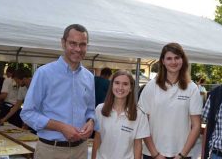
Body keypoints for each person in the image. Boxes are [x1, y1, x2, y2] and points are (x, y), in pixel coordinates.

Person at [20, 24, 97, 159]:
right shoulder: (44, 73)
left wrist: (91, 121)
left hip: (81, 150)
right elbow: (27, 113)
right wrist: (60, 127)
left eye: (82, 44)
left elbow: (90, 110)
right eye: (73, 43)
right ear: (63, 43)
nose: (78, 49)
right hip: (51, 151)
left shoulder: (89, 77)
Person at [139, 43, 202, 159]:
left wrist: (182, 154)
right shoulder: (151, 86)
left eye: (177, 58)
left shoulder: (192, 88)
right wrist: (155, 154)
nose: (173, 62)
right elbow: (143, 123)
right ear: (162, 61)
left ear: (182, 60)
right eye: (169, 58)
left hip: (182, 154)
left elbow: (196, 126)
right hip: (152, 154)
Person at [92, 70, 150, 159]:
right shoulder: (100, 109)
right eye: (117, 83)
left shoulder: (139, 114)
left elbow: (137, 145)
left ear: (131, 88)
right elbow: (97, 139)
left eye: (125, 84)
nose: (120, 87)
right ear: (112, 85)